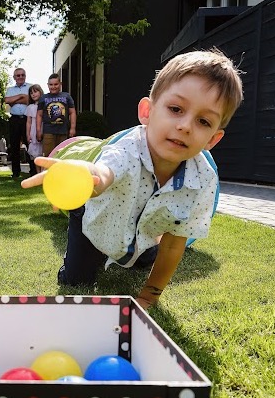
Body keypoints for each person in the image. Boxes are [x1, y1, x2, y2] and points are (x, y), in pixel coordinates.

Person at [23, 49, 243, 309]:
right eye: (175, 109)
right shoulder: (127, 148)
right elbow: (104, 172)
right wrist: (84, 175)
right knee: (76, 281)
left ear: (213, 140)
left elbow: (174, 244)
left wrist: (150, 294)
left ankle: (133, 251)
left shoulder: (203, 179)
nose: (185, 126)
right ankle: (84, 254)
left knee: (141, 258)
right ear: (147, 112)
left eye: (204, 121)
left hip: (140, 230)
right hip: (94, 219)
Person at [36, 73, 76, 159]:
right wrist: (38, 130)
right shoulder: (43, 98)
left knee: (62, 156)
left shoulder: (66, 96)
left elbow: (72, 112)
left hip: (63, 131)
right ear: (48, 85)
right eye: (51, 85)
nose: (53, 87)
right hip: (48, 131)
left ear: (60, 84)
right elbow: (39, 115)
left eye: (56, 84)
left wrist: (72, 128)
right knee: (48, 156)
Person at [4, 68, 30, 178]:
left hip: (27, 119)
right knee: (14, 146)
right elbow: (7, 101)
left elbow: (29, 100)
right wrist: (21, 97)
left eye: (22, 75)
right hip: (14, 120)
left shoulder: (30, 87)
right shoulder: (10, 89)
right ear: (14, 77)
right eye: (18, 75)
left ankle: (33, 170)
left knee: (30, 144)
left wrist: (14, 100)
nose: (20, 77)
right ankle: (15, 172)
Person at [25, 84, 44, 176]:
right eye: (31, 93)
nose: (33, 94)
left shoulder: (44, 105)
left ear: (40, 92)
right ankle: (38, 174)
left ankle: (44, 173)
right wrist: (28, 134)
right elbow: (28, 122)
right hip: (33, 131)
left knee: (43, 153)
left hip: (43, 129)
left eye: (35, 92)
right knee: (36, 154)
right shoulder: (30, 107)